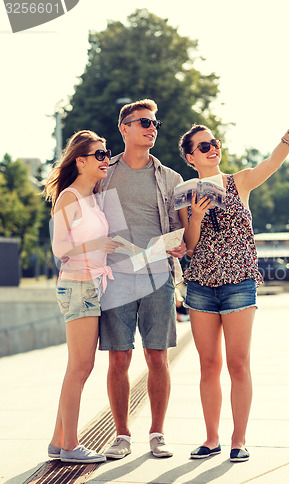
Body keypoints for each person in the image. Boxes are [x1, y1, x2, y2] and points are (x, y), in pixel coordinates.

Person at [178, 108, 289, 462]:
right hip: (201, 287)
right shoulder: (186, 194)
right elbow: (190, 246)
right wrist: (195, 216)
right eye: (204, 146)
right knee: (208, 365)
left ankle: (239, 440)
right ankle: (211, 440)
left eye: (215, 142)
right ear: (191, 157)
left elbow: (273, 161)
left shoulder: (240, 181)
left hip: (239, 282)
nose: (212, 148)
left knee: (238, 364)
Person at [97, 99, 186, 459]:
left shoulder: (170, 178)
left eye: (154, 123)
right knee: (119, 359)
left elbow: (179, 228)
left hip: (157, 277)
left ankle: (157, 433)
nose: (151, 128)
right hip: (114, 278)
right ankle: (121, 435)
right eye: (144, 122)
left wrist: (181, 244)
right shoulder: (105, 172)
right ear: (124, 128)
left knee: (158, 358)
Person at [44, 130, 119, 464]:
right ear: (81, 161)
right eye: (100, 154)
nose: (106, 159)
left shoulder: (92, 198)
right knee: (80, 366)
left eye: (107, 153)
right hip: (77, 285)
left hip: (92, 283)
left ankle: (58, 441)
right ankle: (71, 446)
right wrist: (96, 246)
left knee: (80, 366)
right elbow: (59, 248)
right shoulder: (70, 198)